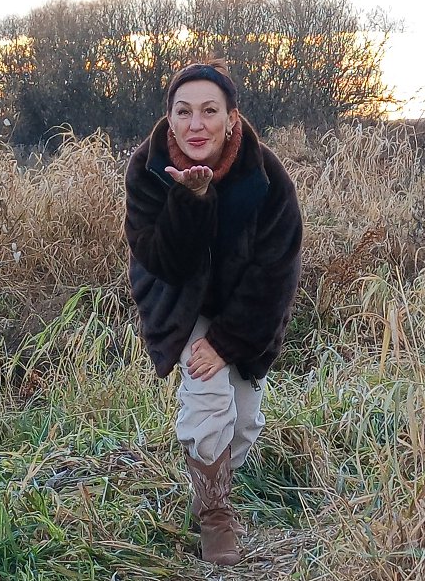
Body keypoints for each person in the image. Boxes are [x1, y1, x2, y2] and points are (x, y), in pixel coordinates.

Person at [124, 59, 302, 566]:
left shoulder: (266, 176)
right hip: (179, 301)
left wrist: (226, 342)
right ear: (170, 117)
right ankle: (216, 518)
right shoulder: (148, 168)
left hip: (245, 312)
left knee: (243, 421)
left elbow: (276, 272)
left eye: (209, 111)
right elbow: (165, 263)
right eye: (183, 112)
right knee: (208, 395)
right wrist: (191, 198)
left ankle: (209, 486)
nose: (195, 124)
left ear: (231, 117)